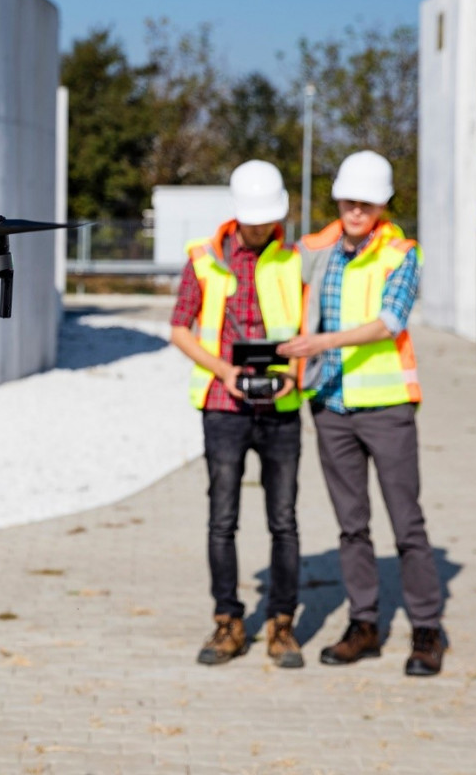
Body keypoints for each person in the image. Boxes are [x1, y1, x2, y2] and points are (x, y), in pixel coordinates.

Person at [277, 150, 446, 677]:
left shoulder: (400, 254)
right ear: (339, 200)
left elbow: (390, 321)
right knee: (351, 527)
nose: (355, 210)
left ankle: (426, 629)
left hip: (387, 406)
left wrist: (322, 341)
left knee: (407, 524)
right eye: (349, 200)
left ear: (383, 204)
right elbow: (277, 282)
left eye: (366, 202)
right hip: (330, 404)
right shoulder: (314, 249)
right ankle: (364, 624)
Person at [169, 160, 305, 670]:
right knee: (222, 519)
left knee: (284, 520)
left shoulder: (297, 259)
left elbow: (310, 328)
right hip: (224, 407)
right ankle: (228, 620)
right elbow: (180, 328)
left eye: (267, 218)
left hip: (282, 408)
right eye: (252, 218)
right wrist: (223, 370)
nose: (259, 227)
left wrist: (295, 369)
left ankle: (282, 624)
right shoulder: (203, 259)